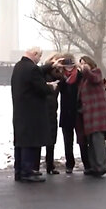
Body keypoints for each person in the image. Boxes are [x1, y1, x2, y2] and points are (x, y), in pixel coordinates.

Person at [11, 46, 56, 182]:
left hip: (20, 111)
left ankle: (19, 171)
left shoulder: (19, 66)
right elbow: (41, 88)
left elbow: (35, 73)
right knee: (30, 142)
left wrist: (50, 65)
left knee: (20, 142)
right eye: (39, 57)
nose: (39, 60)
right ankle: (28, 171)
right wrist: (51, 87)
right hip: (32, 112)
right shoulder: (32, 69)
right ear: (35, 54)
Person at [52, 53, 91, 174]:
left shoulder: (80, 76)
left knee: (82, 141)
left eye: (71, 66)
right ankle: (70, 164)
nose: (69, 68)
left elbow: (92, 81)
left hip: (79, 112)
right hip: (65, 113)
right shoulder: (61, 77)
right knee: (67, 141)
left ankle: (87, 164)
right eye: (66, 66)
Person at [77, 56, 106, 177]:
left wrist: (86, 69)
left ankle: (102, 165)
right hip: (89, 114)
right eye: (81, 64)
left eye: (84, 63)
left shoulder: (95, 73)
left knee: (98, 141)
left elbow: (95, 78)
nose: (82, 66)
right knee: (91, 141)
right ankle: (94, 166)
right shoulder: (84, 79)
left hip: (98, 113)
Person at [40, 53, 62, 175]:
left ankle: (50, 164)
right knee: (40, 138)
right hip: (43, 109)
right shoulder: (43, 73)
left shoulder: (57, 75)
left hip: (53, 109)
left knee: (52, 138)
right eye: (54, 61)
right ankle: (35, 165)